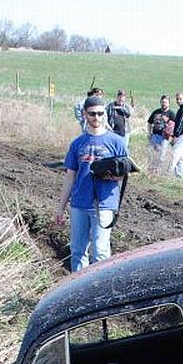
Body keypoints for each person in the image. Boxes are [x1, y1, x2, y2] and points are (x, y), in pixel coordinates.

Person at [54, 96, 129, 271]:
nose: (97, 118)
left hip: (103, 204)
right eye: (92, 114)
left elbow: (125, 173)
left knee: (101, 252)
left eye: (100, 113)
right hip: (79, 203)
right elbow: (70, 177)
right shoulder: (77, 144)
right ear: (85, 114)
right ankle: (78, 292)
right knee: (78, 251)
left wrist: (114, 176)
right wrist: (60, 208)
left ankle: (102, 293)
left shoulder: (117, 142)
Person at [146, 94, 174, 173]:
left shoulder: (171, 114)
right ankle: (151, 171)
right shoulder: (156, 112)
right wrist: (149, 133)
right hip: (154, 136)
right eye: (162, 102)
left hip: (164, 138)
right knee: (152, 154)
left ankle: (158, 171)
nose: (163, 104)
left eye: (165, 102)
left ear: (168, 103)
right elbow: (149, 123)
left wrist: (172, 136)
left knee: (161, 156)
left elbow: (174, 125)